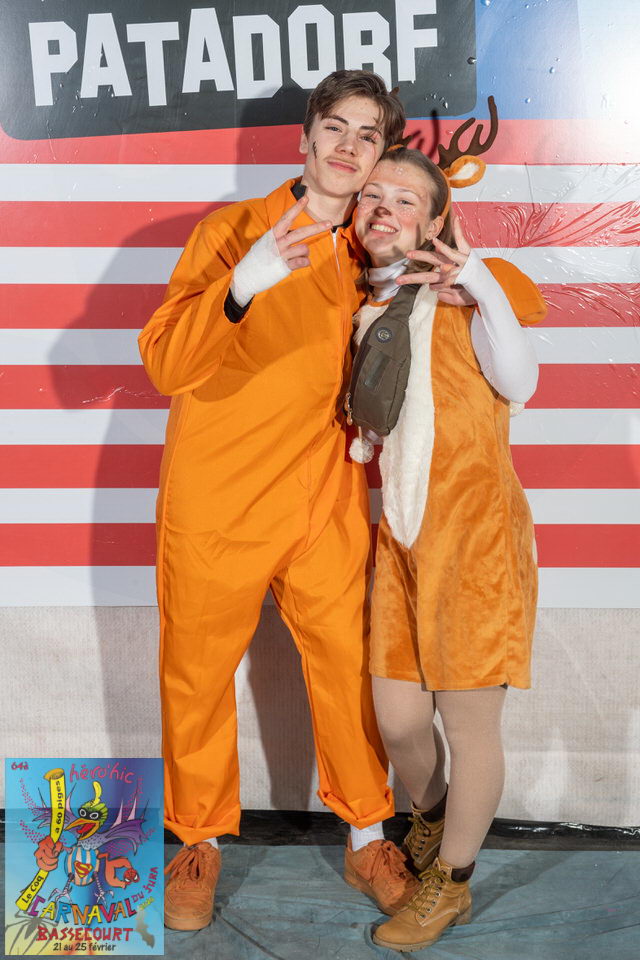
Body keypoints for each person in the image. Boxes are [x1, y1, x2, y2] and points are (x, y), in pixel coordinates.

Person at [138, 71, 543, 932]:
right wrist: (241, 286)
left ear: (380, 156)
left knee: (348, 675)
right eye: (335, 127)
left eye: (368, 135)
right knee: (196, 674)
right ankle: (198, 841)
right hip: (218, 498)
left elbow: (491, 326)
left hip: (324, 493)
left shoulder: (373, 251)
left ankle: (368, 837)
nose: (348, 147)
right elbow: (165, 364)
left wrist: (471, 276)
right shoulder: (230, 232)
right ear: (306, 138)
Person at [348, 144, 542, 952]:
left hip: (475, 542)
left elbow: (522, 383)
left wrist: (482, 284)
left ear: (435, 220)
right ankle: (429, 824)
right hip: (400, 537)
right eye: (373, 196)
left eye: (405, 199)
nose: (384, 209)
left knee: (468, 729)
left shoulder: (470, 294)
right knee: (397, 721)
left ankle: (452, 885)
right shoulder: (366, 309)